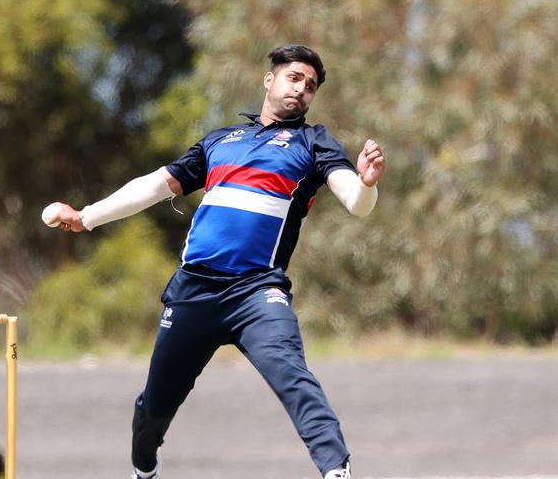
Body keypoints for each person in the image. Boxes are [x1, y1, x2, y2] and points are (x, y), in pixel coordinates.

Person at [44, 44, 385, 479]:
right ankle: (144, 468)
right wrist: (85, 217)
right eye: (294, 77)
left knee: (294, 378)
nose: (301, 90)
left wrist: (368, 184)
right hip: (193, 291)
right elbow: (155, 186)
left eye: (311, 86)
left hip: (257, 292)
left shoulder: (312, 141)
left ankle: (336, 470)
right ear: (270, 79)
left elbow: (355, 201)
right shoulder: (219, 141)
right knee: (154, 406)